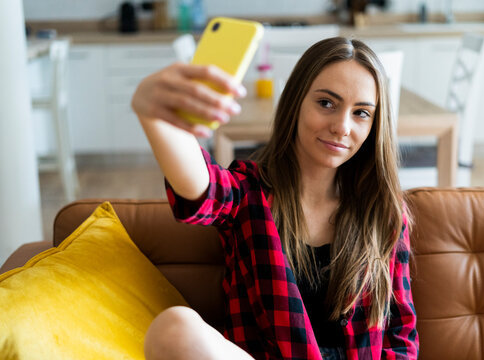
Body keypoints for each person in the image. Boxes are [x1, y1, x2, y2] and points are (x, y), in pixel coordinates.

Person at [131, 36, 419, 360]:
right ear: (296, 102)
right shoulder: (249, 193)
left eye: (361, 113)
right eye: (326, 103)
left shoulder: (383, 212)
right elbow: (200, 190)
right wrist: (156, 117)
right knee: (174, 328)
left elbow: (400, 337)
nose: (342, 126)